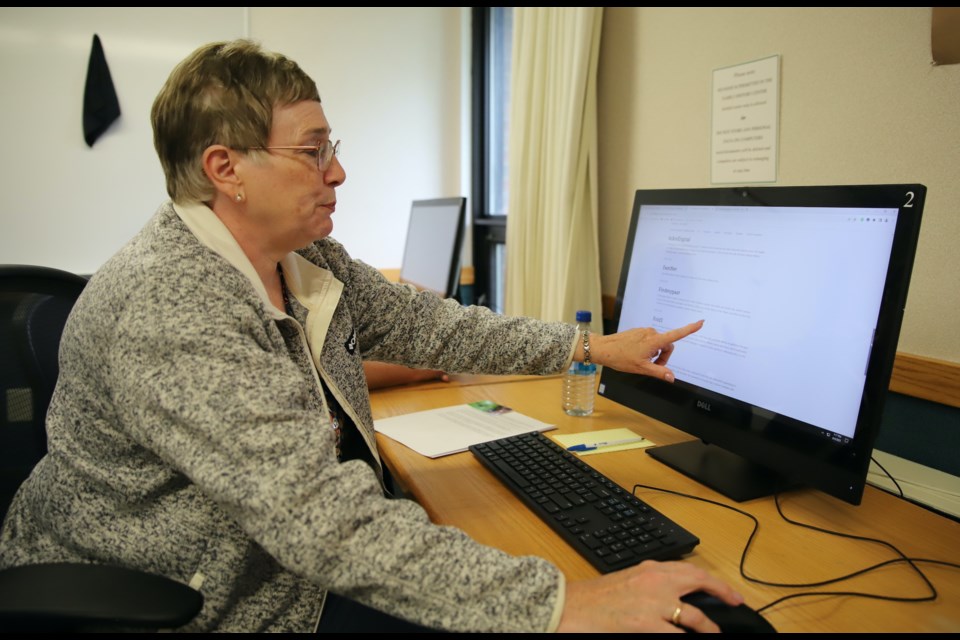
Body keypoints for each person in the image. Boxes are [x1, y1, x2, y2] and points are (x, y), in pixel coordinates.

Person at [0, 39, 743, 632]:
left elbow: (429, 326)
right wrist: (563, 604)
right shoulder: (173, 304)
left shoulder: (303, 259)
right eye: (313, 151)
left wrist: (588, 347)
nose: (340, 171)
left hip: (272, 561)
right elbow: (321, 525)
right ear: (226, 170)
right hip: (200, 595)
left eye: (334, 147)